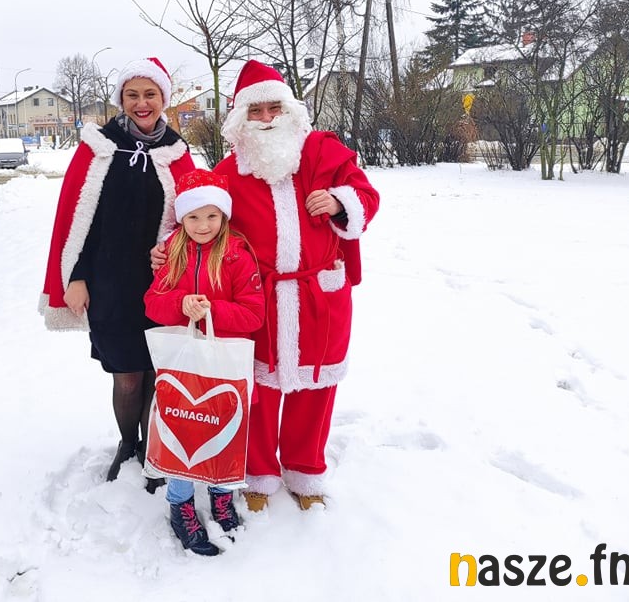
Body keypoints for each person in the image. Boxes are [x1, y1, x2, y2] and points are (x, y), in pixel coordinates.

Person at [157, 60, 379, 512]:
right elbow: (201, 218)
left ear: (289, 109)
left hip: (319, 293)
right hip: (258, 295)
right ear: (241, 118)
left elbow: (366, 198)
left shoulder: (323, 152)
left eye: (273, 108)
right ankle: (258, 473)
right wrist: (168, 249)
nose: (266, 118)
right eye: (255, 111)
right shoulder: (228, 170)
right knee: (258, 387)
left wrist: (339, 202)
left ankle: (305, 470)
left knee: (315, 387)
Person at [40, 57, 195, 487]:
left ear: (164, 99)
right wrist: (75, 276)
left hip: (161, 285)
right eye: (132, 95)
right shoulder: (98, 149)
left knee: (158, 374)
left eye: (150, 94)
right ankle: (129, 443)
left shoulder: (177, 154)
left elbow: (195, 218)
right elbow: (74, 220)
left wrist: (175, 255)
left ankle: (153, 449)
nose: (142, 103)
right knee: (127, 377)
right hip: (109, 284)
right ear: (121, 99)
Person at [143, 169, 265, 556]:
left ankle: (221, 495)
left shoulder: (237, 255)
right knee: (184, 433)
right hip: (185, 368)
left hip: (226, 367)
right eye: (193, 216)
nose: (202, 225)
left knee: (226, 434)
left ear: (224, 215)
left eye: (212, 216)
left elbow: (254, 314)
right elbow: (152, 303)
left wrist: (214, 310)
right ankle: (180, 504)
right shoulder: (173, 251)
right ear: (182, 217)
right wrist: (181, 304)